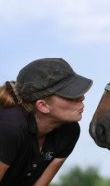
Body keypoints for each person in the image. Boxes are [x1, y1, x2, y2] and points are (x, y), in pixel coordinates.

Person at [0, 58, 93, 186]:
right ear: (43, 105)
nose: (82, 97)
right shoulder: (9, 128)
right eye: (71, 94)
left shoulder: (70, 131)